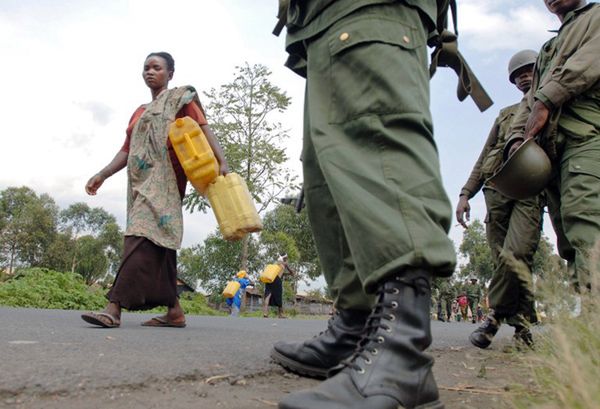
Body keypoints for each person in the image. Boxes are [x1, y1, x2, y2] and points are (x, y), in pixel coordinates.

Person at [270, 2, 460, 408]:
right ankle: (357, 327)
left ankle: (403, 356)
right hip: (319, 21)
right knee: (329, 175)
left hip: (369, 7)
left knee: (375, 138)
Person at [81, 51, 228, 328]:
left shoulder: (181, 101)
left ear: (170, 73)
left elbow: (206, 130)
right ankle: (174, 311)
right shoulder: (139, 112)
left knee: (137, 234)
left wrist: (223, 161)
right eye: (146, 68)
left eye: (156, 67)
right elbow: (127, 150)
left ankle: (114, 307)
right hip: (140, 183)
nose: (150, 72)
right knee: (161, 242)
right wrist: (102, 173)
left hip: (168, 181)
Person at [506, 0, 600, 300]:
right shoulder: (549, 46)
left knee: (585, 223)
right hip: (552, 155)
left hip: (586, 138)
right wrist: (516, 139)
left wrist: (547, 98)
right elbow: (529, 101)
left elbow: (587, 63)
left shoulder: (596, 16)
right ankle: (586, 325)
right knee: (568, 238)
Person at [456, 49, 542, 347]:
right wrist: (466, 193)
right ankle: (522, 329)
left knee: (516, 255)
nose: (524, 77)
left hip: (530, 192)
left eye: (529, 70)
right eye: (518, 75)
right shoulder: (505, 114)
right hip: (496, 191)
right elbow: (484, 157)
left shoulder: (552, 107)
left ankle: (493, 319)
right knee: (501, 261)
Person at [263, 254, 295, 318]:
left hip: (270, 279)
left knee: (267, 295)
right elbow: (291, 272)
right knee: (278, 297)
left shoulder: (275, 264)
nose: (287, 259)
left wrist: (288, 273)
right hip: (277, 281)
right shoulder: (284, 264)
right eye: (286, 258)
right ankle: (281, 314)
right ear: (284, 258)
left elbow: (280, 273)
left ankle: (265, 313)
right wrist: (291, 272)